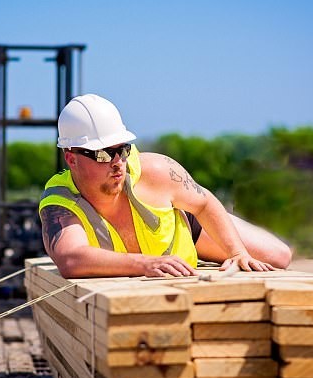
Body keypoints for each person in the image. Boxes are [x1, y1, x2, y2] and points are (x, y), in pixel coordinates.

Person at [39, 94, 292, 278]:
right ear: (71, 159)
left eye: (122, 150)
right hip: (156, 255)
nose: (117, 163)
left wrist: (237, 252)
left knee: (279, 257)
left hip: (188, 225)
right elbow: (71, 259)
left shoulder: (155, 171)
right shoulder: (61, 202)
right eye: (103, 154)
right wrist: (146, 264)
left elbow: (203, 203)